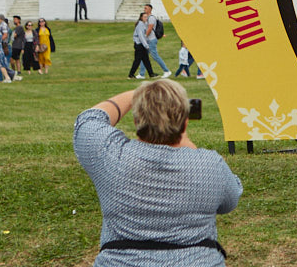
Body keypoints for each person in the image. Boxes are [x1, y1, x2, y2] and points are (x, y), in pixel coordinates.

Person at [73, 79, 242, 265]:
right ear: (185, 123)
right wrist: (191, 151)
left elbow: (90, 118)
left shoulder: (110, 156)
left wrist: (137, 95)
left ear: (137, 120)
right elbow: (230, 201)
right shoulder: (210, 165)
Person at [142, 4, 171, 75]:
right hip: (148, 40)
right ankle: (141, 74)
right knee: (144, 56)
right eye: (144, 8)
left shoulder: (151, 18)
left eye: (146, 8)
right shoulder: (147, 18)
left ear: (150, 9)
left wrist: (145, 37)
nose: (144, 10)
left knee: (155, 56)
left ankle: (167, 71)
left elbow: (150, 28)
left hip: (151, 40)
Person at [129, 12, 156, 80]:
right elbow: (141, 36)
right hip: (139, 45)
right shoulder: (140, 24)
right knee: (137, 60)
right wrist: (146, 45)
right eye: (144, 17)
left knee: (146, 60)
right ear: (141, 18)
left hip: (141, 45)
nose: (146, 18)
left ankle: (151, 74)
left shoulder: (143, 24)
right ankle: (131, 75)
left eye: (147, 17)